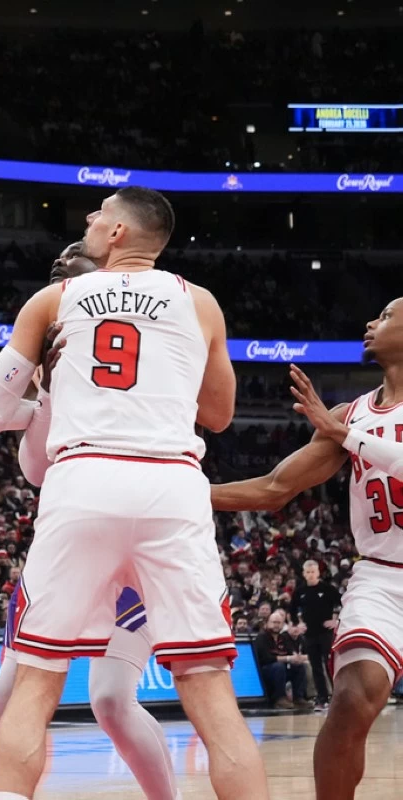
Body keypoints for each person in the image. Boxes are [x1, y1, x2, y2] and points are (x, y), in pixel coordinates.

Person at [0, 188, 265, 800]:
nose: (88, 218)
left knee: (35, 681)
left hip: (86, 480)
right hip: (172, 484)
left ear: (116, 235)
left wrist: (52, 383)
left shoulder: (53, 300)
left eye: (98, 213)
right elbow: (218, 413)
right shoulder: (202, 303)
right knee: (210, 692)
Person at [0, 243, 178, 800]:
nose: (62, 260)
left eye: (76, 255)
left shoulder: (154, 346)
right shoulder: (47, 348)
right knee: (6, 693)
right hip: (77, 533)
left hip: (140, 534)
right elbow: (32, 465)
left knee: (111, 697)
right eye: (56, 260)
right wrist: (41, 397)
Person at [211, 301, 403, 800]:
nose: (370, 322)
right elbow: (276, 487)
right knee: (351, 700)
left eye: (384, 316)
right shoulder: (351, 414)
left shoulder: (344, 426)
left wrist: (343, 434)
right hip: (383, 578)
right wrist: (186, 490)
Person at [291, 559, 340, 711]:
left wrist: (336, 620)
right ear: (304, 574)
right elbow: (292, 609)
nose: (311, 575)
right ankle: (322, 698)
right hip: (309, 634)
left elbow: (342, 603)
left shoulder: (327, 589)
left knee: (330, 664)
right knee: (316, 667)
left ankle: (338, 697)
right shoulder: (300, 591)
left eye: (313, 572)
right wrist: (297, 624)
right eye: (308, 572)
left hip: (326, 633)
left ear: (318, 572)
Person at [254, 609, 310, 709]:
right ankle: (279, 698)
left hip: (282, 669)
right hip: (265, 670)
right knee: (278, 666)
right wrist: (288, 658)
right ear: (267, 623)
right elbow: (266, 658)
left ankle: (298, 698)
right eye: (274, 622)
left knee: (299, 666)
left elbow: (291, 652)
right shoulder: (261, 637)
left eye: (279, 623)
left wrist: (296, 658)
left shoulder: (283, 638)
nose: (276, 625)